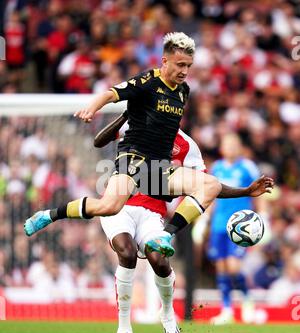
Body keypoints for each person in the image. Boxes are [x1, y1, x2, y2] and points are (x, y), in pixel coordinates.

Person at [23, 32, 223, 258]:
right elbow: (110, 94)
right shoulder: (148, 81)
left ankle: (164, 236)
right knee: (109, 207)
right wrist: (92, 107)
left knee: (211, 185)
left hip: (159, 169)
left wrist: (246, 192)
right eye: (180, 65)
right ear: (165, 61)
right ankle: (49, 215)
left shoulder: (183, 91)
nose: (185, 71)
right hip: (134, 158)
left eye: (188, 65)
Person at [97, 115, 273, 333]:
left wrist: (245, 192)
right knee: (127, 253)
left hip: (152, 211)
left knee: (159, 260)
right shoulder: (137, 127)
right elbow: (99, 141)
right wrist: (126, 115)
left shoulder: (188, 147)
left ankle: (167, 313)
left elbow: (207, 187)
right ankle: (124, 327)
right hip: (118, 204)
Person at [205, 133, 266, 325]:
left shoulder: (247, 166)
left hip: (241, 227)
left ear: (239, 147)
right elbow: (212, 195)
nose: (230, 147)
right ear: (222, 147)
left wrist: (264, 217)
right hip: (218, 225)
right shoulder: (217, 168)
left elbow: (261, 191)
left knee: (233, 266)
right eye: (227, 143)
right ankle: (227, 309)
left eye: (233, 143)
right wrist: (205, 219)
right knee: (221, 267)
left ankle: (247, 303)